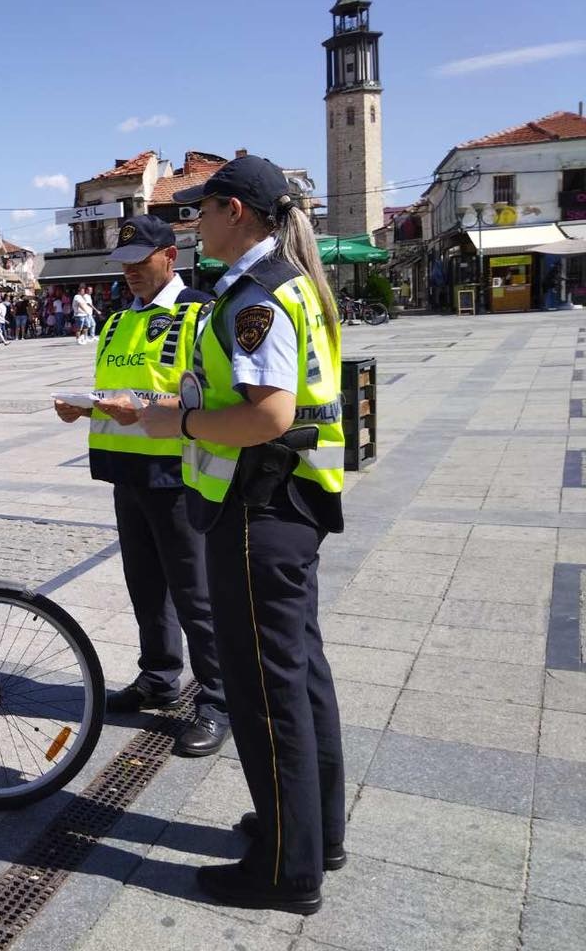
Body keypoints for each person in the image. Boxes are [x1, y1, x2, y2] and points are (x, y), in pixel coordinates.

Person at [141, 155, 347, 915]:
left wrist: (181, 422)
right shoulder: (291, 282)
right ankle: (314, 834)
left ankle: (286, 871)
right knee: (300, 674)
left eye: (200, 210)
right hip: (291, 502)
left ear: (235, 211)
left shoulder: (255, 295)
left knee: (267, 691)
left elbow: (268, 414)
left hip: (258, 508)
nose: (193, 223)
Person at [54, 215, 229, 758]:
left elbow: (214, 396)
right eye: (123, 263)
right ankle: (158, 677)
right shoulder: (115, 321)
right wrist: (85, 408)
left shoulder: (200, 312)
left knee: (195, 594)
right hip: (127, 474)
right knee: (145, 588)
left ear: (170, 257)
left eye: (139, 261)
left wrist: (143, 407)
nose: (129, 272)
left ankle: (219, 699)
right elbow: (118, 395)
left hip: (179, 474)